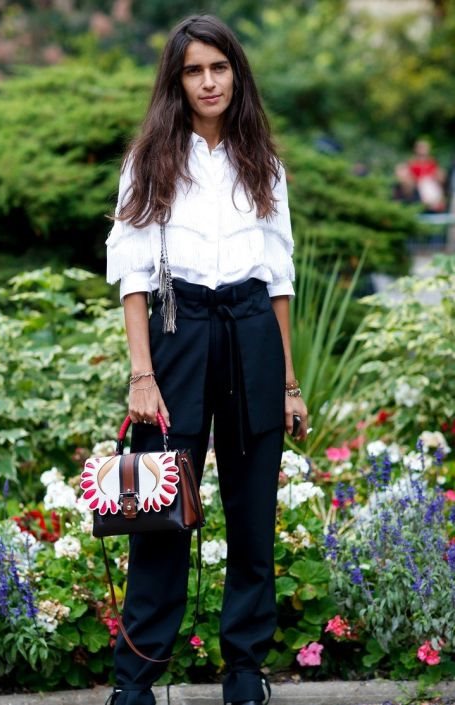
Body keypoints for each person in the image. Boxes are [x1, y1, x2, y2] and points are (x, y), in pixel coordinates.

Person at [105, 14, 308, 705]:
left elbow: (278, 279)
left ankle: (245, 670)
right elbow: (132, 276)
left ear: (236, 75)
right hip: (178, 331)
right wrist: (142, 375)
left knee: (252, 516)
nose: (208, 81)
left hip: (251, 332)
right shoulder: (150, 160)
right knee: (159, 511)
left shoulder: (264, 164)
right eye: (193, 70)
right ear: (177, 81)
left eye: (218, 67)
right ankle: (136, 676)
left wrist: (288, 382)